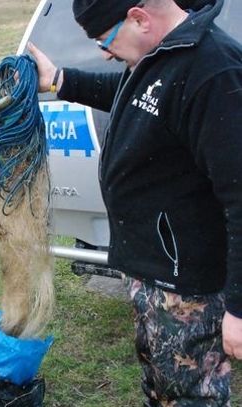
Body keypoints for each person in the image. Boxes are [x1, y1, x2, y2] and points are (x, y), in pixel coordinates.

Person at [28, 0, 242, 405]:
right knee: (162, 382)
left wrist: (239, 308)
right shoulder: (158, 55)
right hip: (149, 267)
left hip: (187, 285)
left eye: (103, 40)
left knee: (191, 394)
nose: (103, 52)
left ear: (139, 18)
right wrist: (58, 78)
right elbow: (126, 93)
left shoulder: (213, 73)